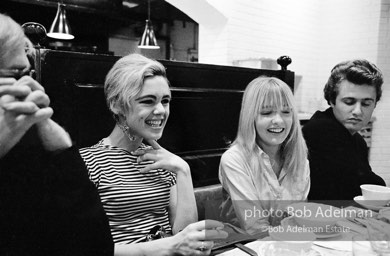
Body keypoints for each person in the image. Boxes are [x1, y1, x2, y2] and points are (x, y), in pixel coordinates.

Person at [79, 53, 228, 255]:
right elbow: (86, 249)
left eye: (165, 101)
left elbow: (183, 235)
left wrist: (183, 171)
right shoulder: (88, 162)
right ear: (117, 104)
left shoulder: (164, 160)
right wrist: (170, 246)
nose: (161, 110)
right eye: (148, 101)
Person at [0, 14, 114, 255]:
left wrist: (61, 148)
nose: (30, 89)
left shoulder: (34, 143)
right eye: (15, 74)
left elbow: (96, 245)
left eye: (27, 75)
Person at [218, 77, 310, 234]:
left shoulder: (300, 159)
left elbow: (300, 217)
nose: (279, 121)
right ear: (250, 117)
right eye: (267, 113)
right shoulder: (234, 159)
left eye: (286, 112)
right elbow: (256, 228)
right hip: (242, 246)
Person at [302, 59, 386, 200]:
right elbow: (367, 185)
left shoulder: (358, 141)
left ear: (375, 104)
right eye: (349, 102)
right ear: (332, 100)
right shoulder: (320, 130)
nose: (358, 111)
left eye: (366, 103)